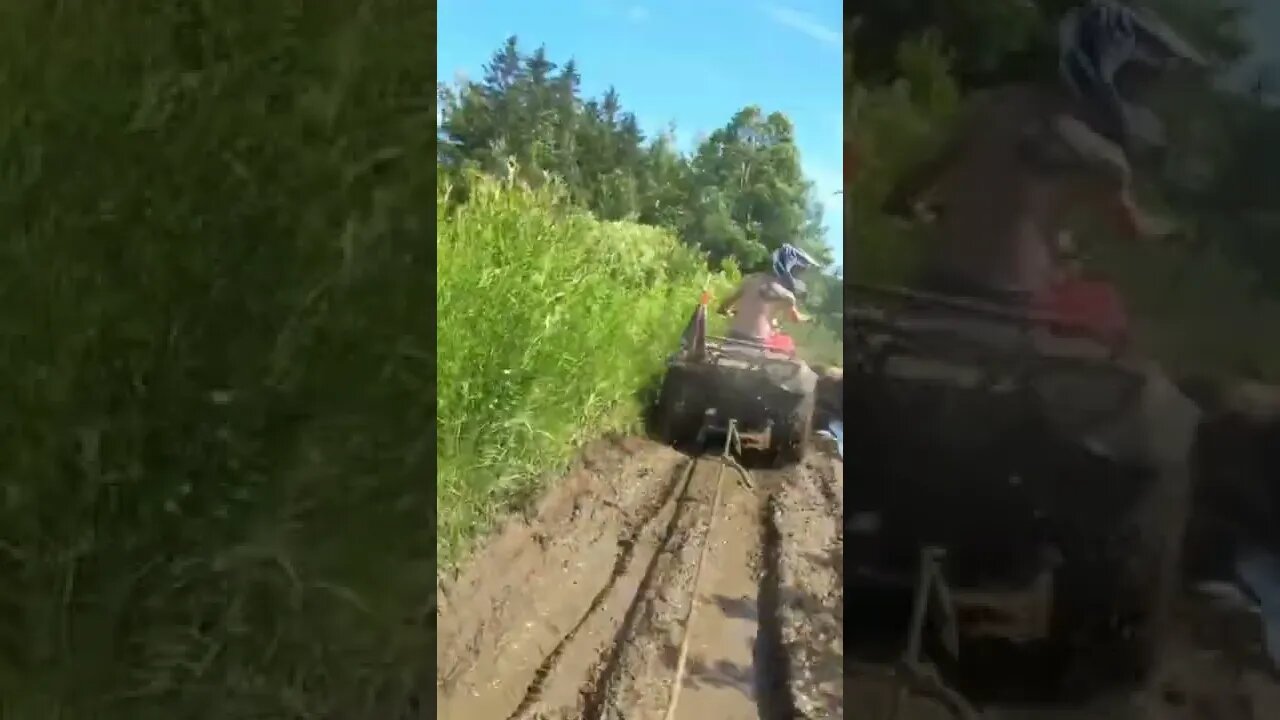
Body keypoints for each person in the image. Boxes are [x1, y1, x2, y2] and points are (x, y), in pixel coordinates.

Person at [885, 0, 1205, 306]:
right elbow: (1130, 230)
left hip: (936, 286)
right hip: (1011, 305)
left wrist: (922, 212)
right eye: (1141, 81)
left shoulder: (993, 106)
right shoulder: (1104, 159)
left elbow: (908, 188)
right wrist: (1174, 232)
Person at [718, 244, 818, 343]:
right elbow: (795, 319)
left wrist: (730, 312)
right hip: (757, 343)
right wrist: (810, 319)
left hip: (733, 337)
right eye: (799, 271)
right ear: (790, 268)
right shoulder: (787, 296)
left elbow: (723, 306)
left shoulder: (751, 280)